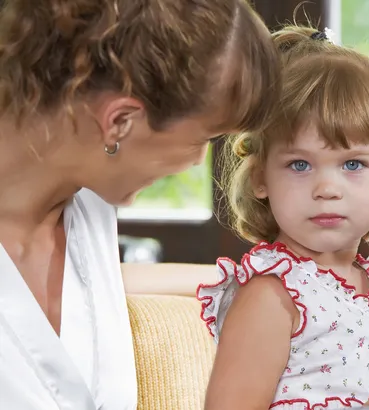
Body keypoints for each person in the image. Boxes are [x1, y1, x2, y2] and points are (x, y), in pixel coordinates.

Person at [0, 0, 281, 408]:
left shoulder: (88, 205)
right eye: (202, 138)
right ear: (119, 122)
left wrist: (279, 287)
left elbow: (106, 285)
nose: (198, 161)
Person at [197, 24, 369, 409]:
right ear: (260, 178)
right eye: (300, 164)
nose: (327, 188)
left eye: (353, 163)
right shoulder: (272, 296)